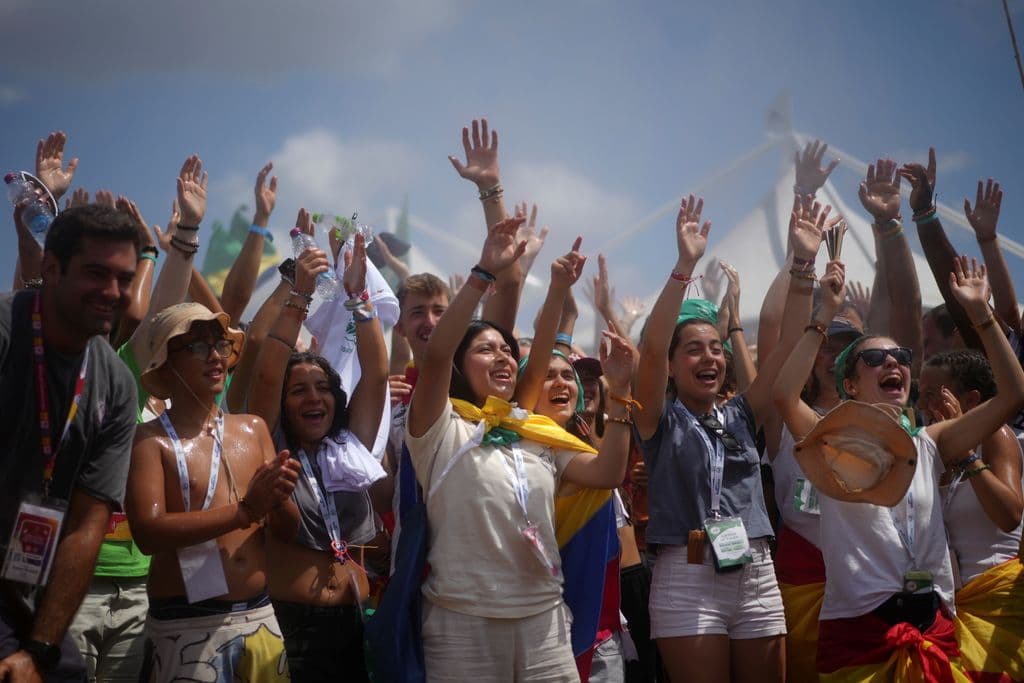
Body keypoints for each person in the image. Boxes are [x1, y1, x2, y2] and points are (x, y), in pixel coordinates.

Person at [772, 256, 1024, 681]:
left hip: (934, 627)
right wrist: (823, 316)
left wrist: (981, 314)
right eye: (875, 358)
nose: (892, 364)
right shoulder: (828, 441)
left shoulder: (931, 442)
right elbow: (783, 394)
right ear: (850, 385)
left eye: (901, 356)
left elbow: (1013, 393)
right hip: (858, 634)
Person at [406, 215, 635, 681]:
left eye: (508, 351)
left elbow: (609, 472)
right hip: (461, 625)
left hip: (545, 626)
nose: (504, 357)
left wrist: (622, 392)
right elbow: (437, 355)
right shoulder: (439, 426)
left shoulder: (533, 430)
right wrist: (482, 275)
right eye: (486, 350)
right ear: (459, 368)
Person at [634, 195, 787, 683]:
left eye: (716, 350)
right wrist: (684, 266)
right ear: (672, 367)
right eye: (694, 350)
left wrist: (801, 266)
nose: (710, 358)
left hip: (756, 570)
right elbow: (651, 349)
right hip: (687, 575)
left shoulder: (742, 412)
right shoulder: (657, 419)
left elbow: (783, 350)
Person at [0, 203, 140, 682]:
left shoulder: (116, 384)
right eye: (97, 273)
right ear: (51, 267)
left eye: (125, 278)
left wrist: (40, 649)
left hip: (24, 593)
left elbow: (86, 524)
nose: (113, 292)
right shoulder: (7, 332)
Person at [127, 303, 299, 683]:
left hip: (259, 616)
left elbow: (286, 531)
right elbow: (148, 532)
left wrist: (280, 497)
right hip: (185, 625)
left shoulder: (253, 429)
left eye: (220, 345)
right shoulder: (149, 441)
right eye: (198, 346)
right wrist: (244, 511)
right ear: (166, 365)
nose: (216, 356)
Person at [249, 214, 388, 683]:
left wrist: (358, 297)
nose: (313, 398)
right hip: (291, 629)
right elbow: (265, 372)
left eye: (323, 388)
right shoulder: (268, 444)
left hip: (355, 627)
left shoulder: (348, 449)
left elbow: (376, 374)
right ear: (281, 404)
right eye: (298, 391)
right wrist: (300, 295)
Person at [918, 349, 1024, 680]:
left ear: (971, 400)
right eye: (920, 395)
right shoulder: (927, 449)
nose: (921, 406)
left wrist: (967, 457)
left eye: (932, 395)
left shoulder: (995, 436)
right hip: (944, 608)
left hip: (996, 602)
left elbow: (1009, 515)